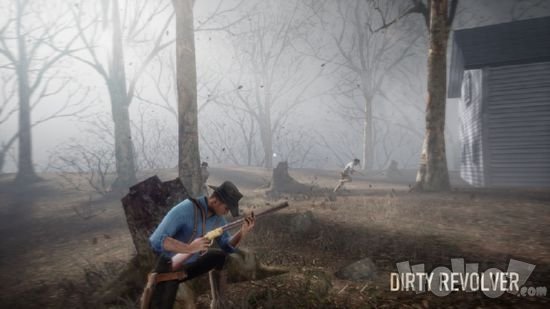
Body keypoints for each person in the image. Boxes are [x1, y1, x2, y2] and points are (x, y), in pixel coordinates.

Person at [148, 181, 255, 309]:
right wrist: (189, 248)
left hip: (191, 266)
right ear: (215, 201)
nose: (227, 213)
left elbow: (226, 246)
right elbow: (156, 240)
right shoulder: (185, 208)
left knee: (219, 256)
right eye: (226, 208)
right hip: (169, 268)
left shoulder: (218, 218)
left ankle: (219, 304)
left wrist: (242, 232)